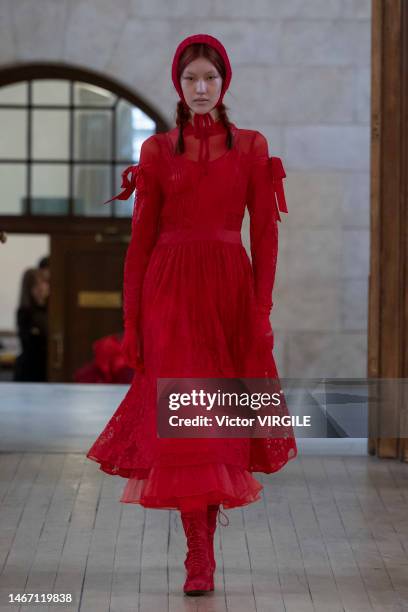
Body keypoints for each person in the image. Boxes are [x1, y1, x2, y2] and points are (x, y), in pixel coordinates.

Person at [86, 33, 298, 596]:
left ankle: (202, 551)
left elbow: (267, 237)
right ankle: (198, 555)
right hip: (170, 295)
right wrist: (132, 322)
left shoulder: (252, 147)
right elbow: (139, 244)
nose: (200, 88)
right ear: (177, 87)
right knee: (189, 425)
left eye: (209, 78)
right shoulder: (157, 151)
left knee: (214, 422)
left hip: (229, 296)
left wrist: (260, 309)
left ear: (224, 82)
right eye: (190, 80)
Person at [13, 267, 49, 382]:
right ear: (28, 288)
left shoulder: (52, 310)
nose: (41, 288)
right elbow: (31, 341)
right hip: (30, 370)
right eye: (36, 285)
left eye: (44, 283)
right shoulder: (25, 312)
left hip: (47, 368)